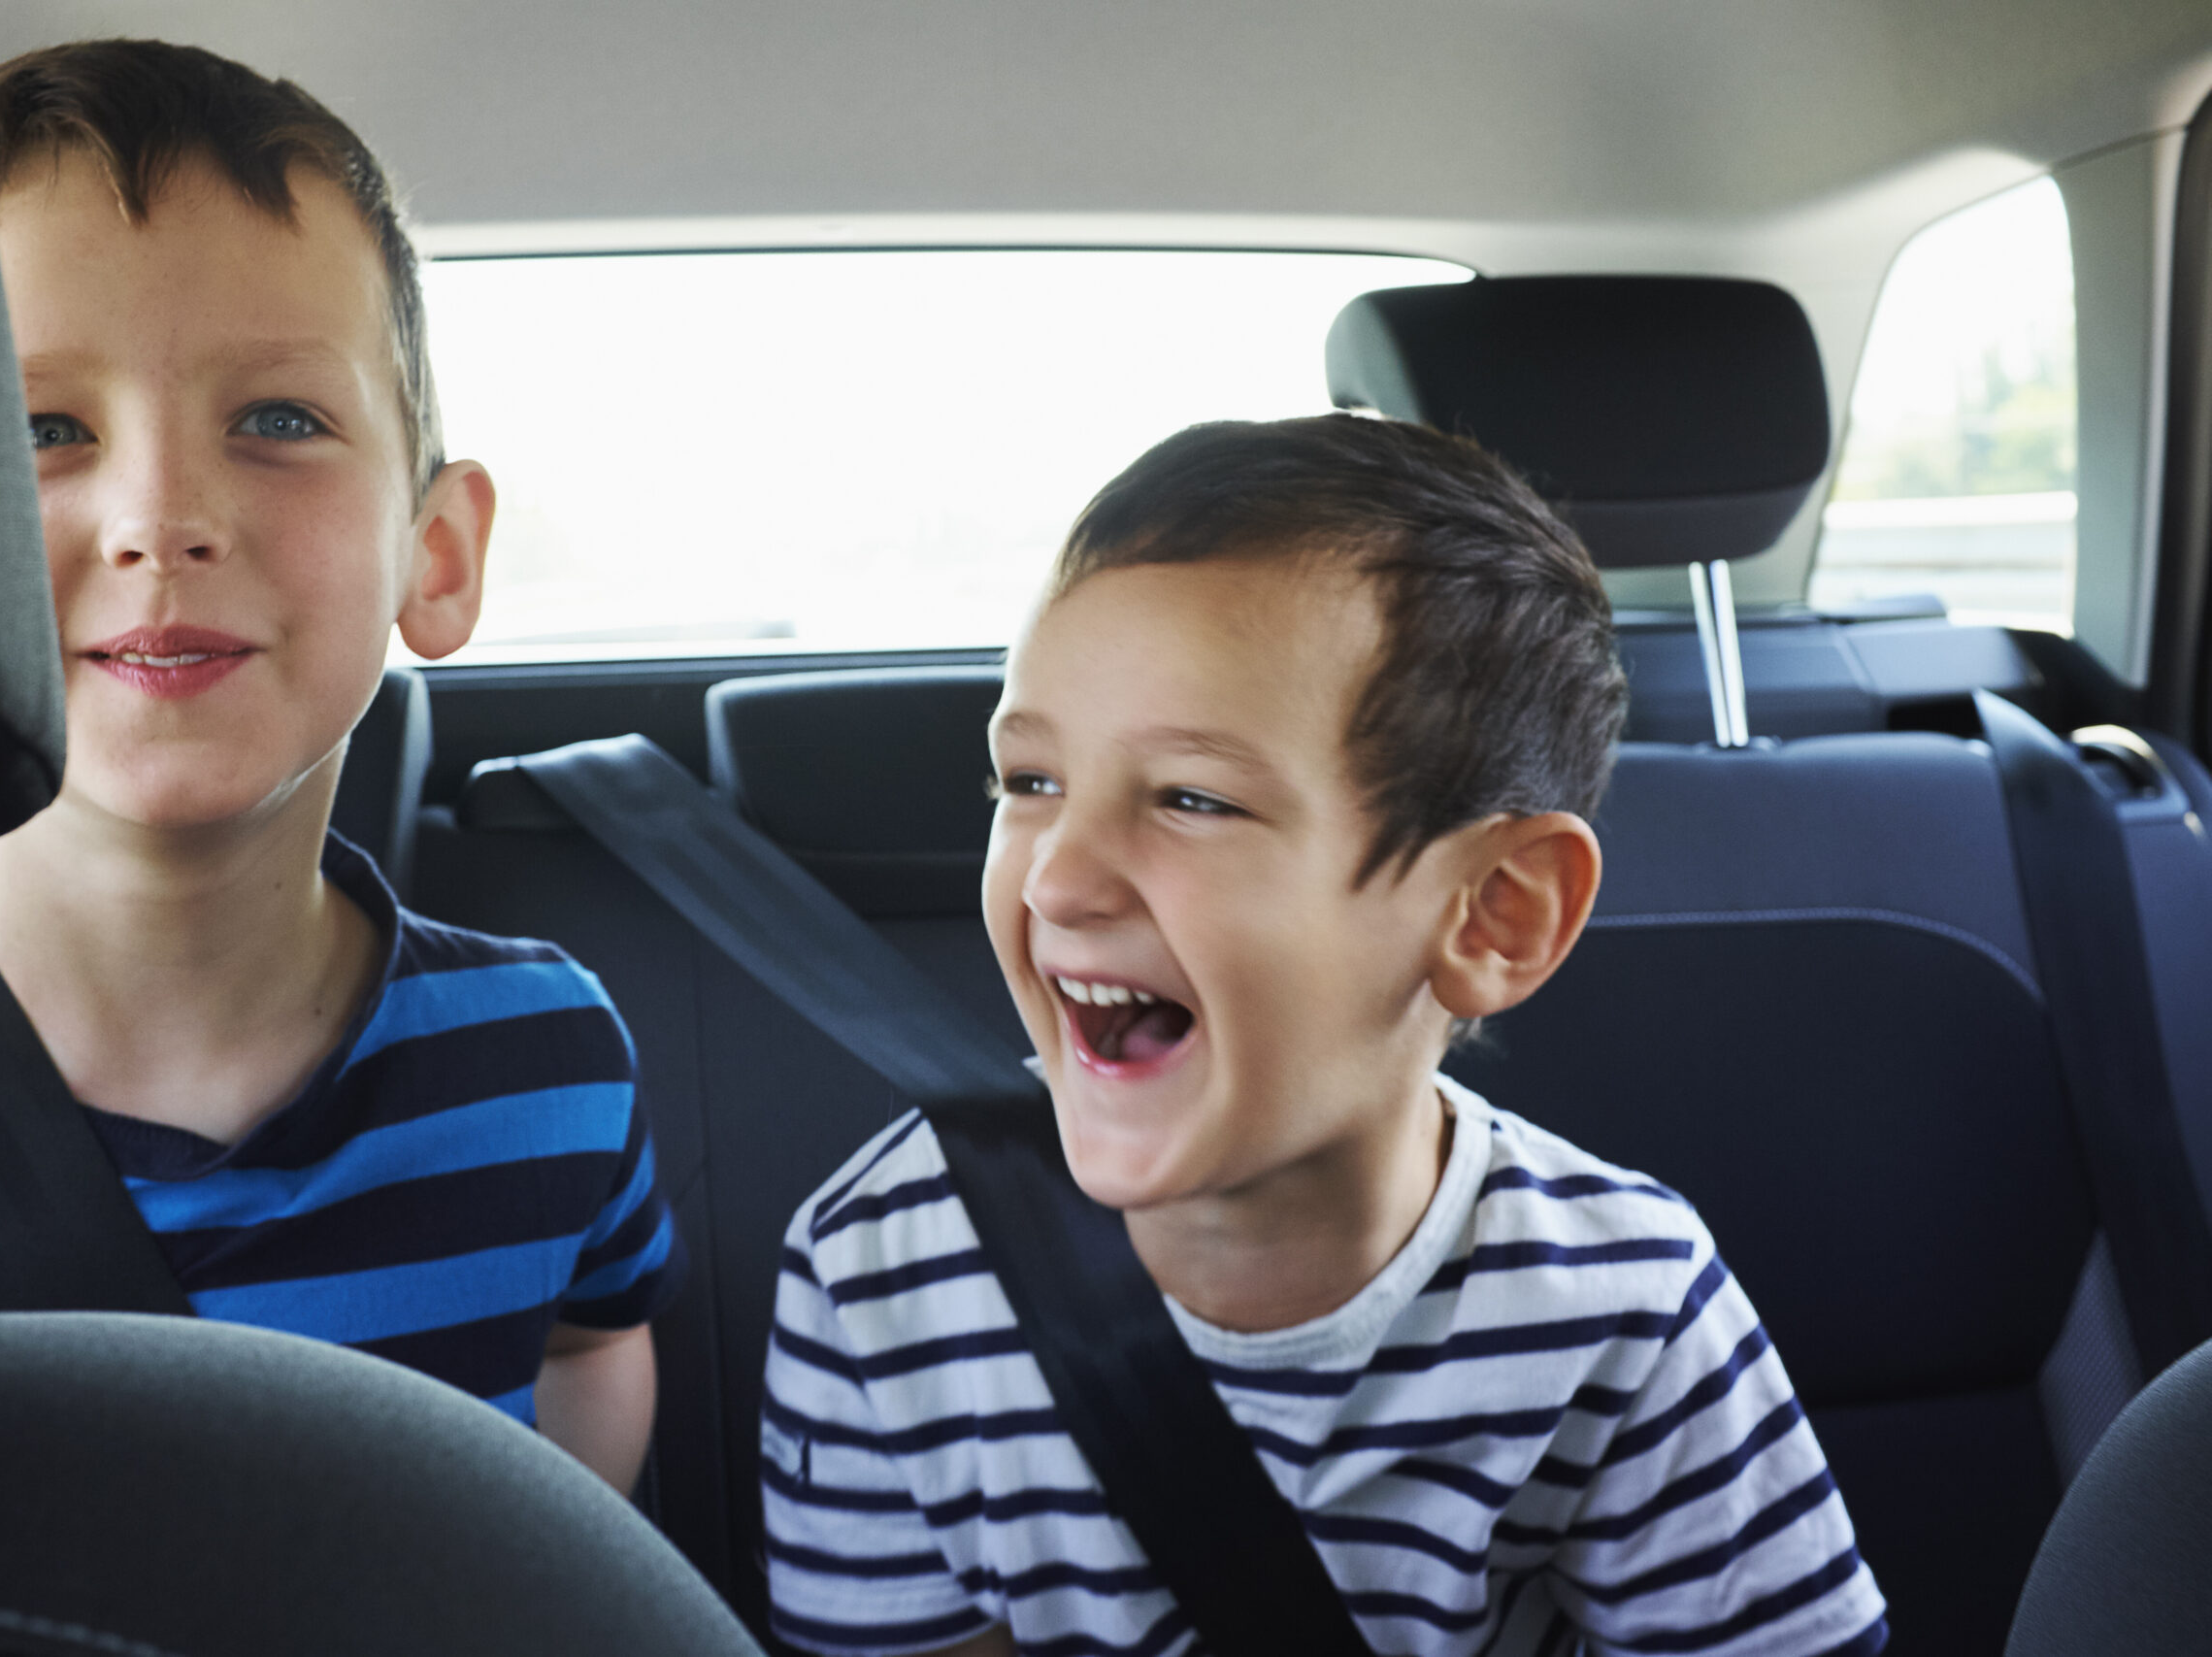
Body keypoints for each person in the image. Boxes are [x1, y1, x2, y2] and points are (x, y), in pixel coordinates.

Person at [761, 414, 1887, 1654]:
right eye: (1030, 783)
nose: (1057, 880)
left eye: (1192, 798)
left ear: (1491, 913)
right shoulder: (874, 1272)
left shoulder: (1625, 1305)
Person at [0, 41, 678, 1491]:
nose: (161, 516)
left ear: (436, 555)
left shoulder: (550, 1059)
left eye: (279, 421)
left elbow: (587, 1344)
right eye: (40, 428)